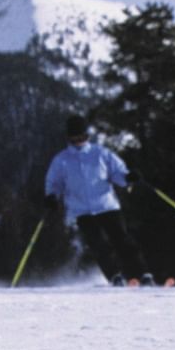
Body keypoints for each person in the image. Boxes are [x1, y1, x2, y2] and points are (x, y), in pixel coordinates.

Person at [43, 114, 156, 287]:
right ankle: (115, 276)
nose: (80, 141)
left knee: (122, 241)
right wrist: (51, 196)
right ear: (69, 138)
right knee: (99, 246)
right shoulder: (61, 160)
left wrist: (128, 177)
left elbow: (118, 173)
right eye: (76, 138)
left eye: (83, 137)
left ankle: (143, 274)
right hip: (82, 210)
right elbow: (54, 182)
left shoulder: (101, 153)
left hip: (107, 205)